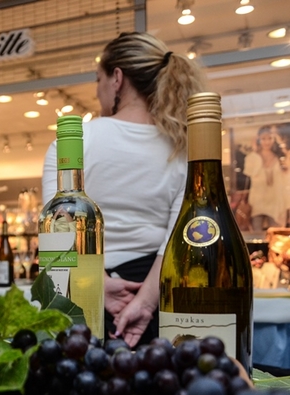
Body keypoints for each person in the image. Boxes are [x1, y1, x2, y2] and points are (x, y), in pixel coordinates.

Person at [42, 31, 207, 348]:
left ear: (116, 78)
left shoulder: (76, 141)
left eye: (98, 79)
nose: (97, 91)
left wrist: (98, 284)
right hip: (155, 296)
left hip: (78, 291)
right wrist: (144, 303)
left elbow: (57, 230)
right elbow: (176, 241)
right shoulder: (181, 148)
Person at [244, 125, 288, 230]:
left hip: (275, 202)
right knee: (256, 233)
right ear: (258, 139)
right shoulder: (252, 157)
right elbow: (249, 172)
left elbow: (285, 179)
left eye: (270, 138)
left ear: (274, 139)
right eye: (263, 138)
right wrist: (255, 152)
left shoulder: (279, 157)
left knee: (275, 233)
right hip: (257, 201)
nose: (267, 142)